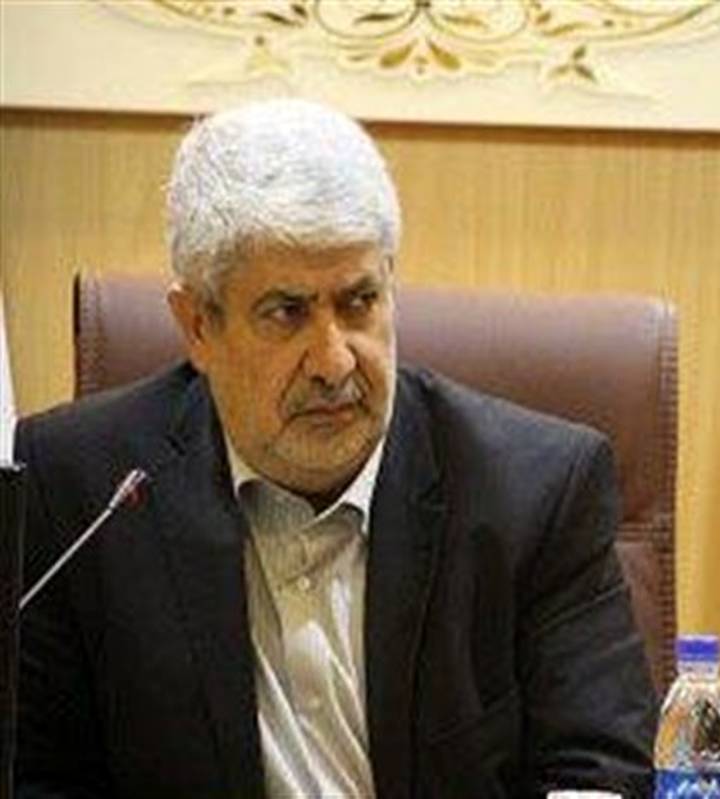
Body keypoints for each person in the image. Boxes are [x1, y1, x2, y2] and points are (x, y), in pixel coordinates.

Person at [15, 99, 656, 798]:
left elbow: (601, 774)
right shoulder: (81, 489)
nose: (334, 361)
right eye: (285, 312)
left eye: (358, 302)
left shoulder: (537, 493)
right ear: (197, 325)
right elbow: (37, 776)